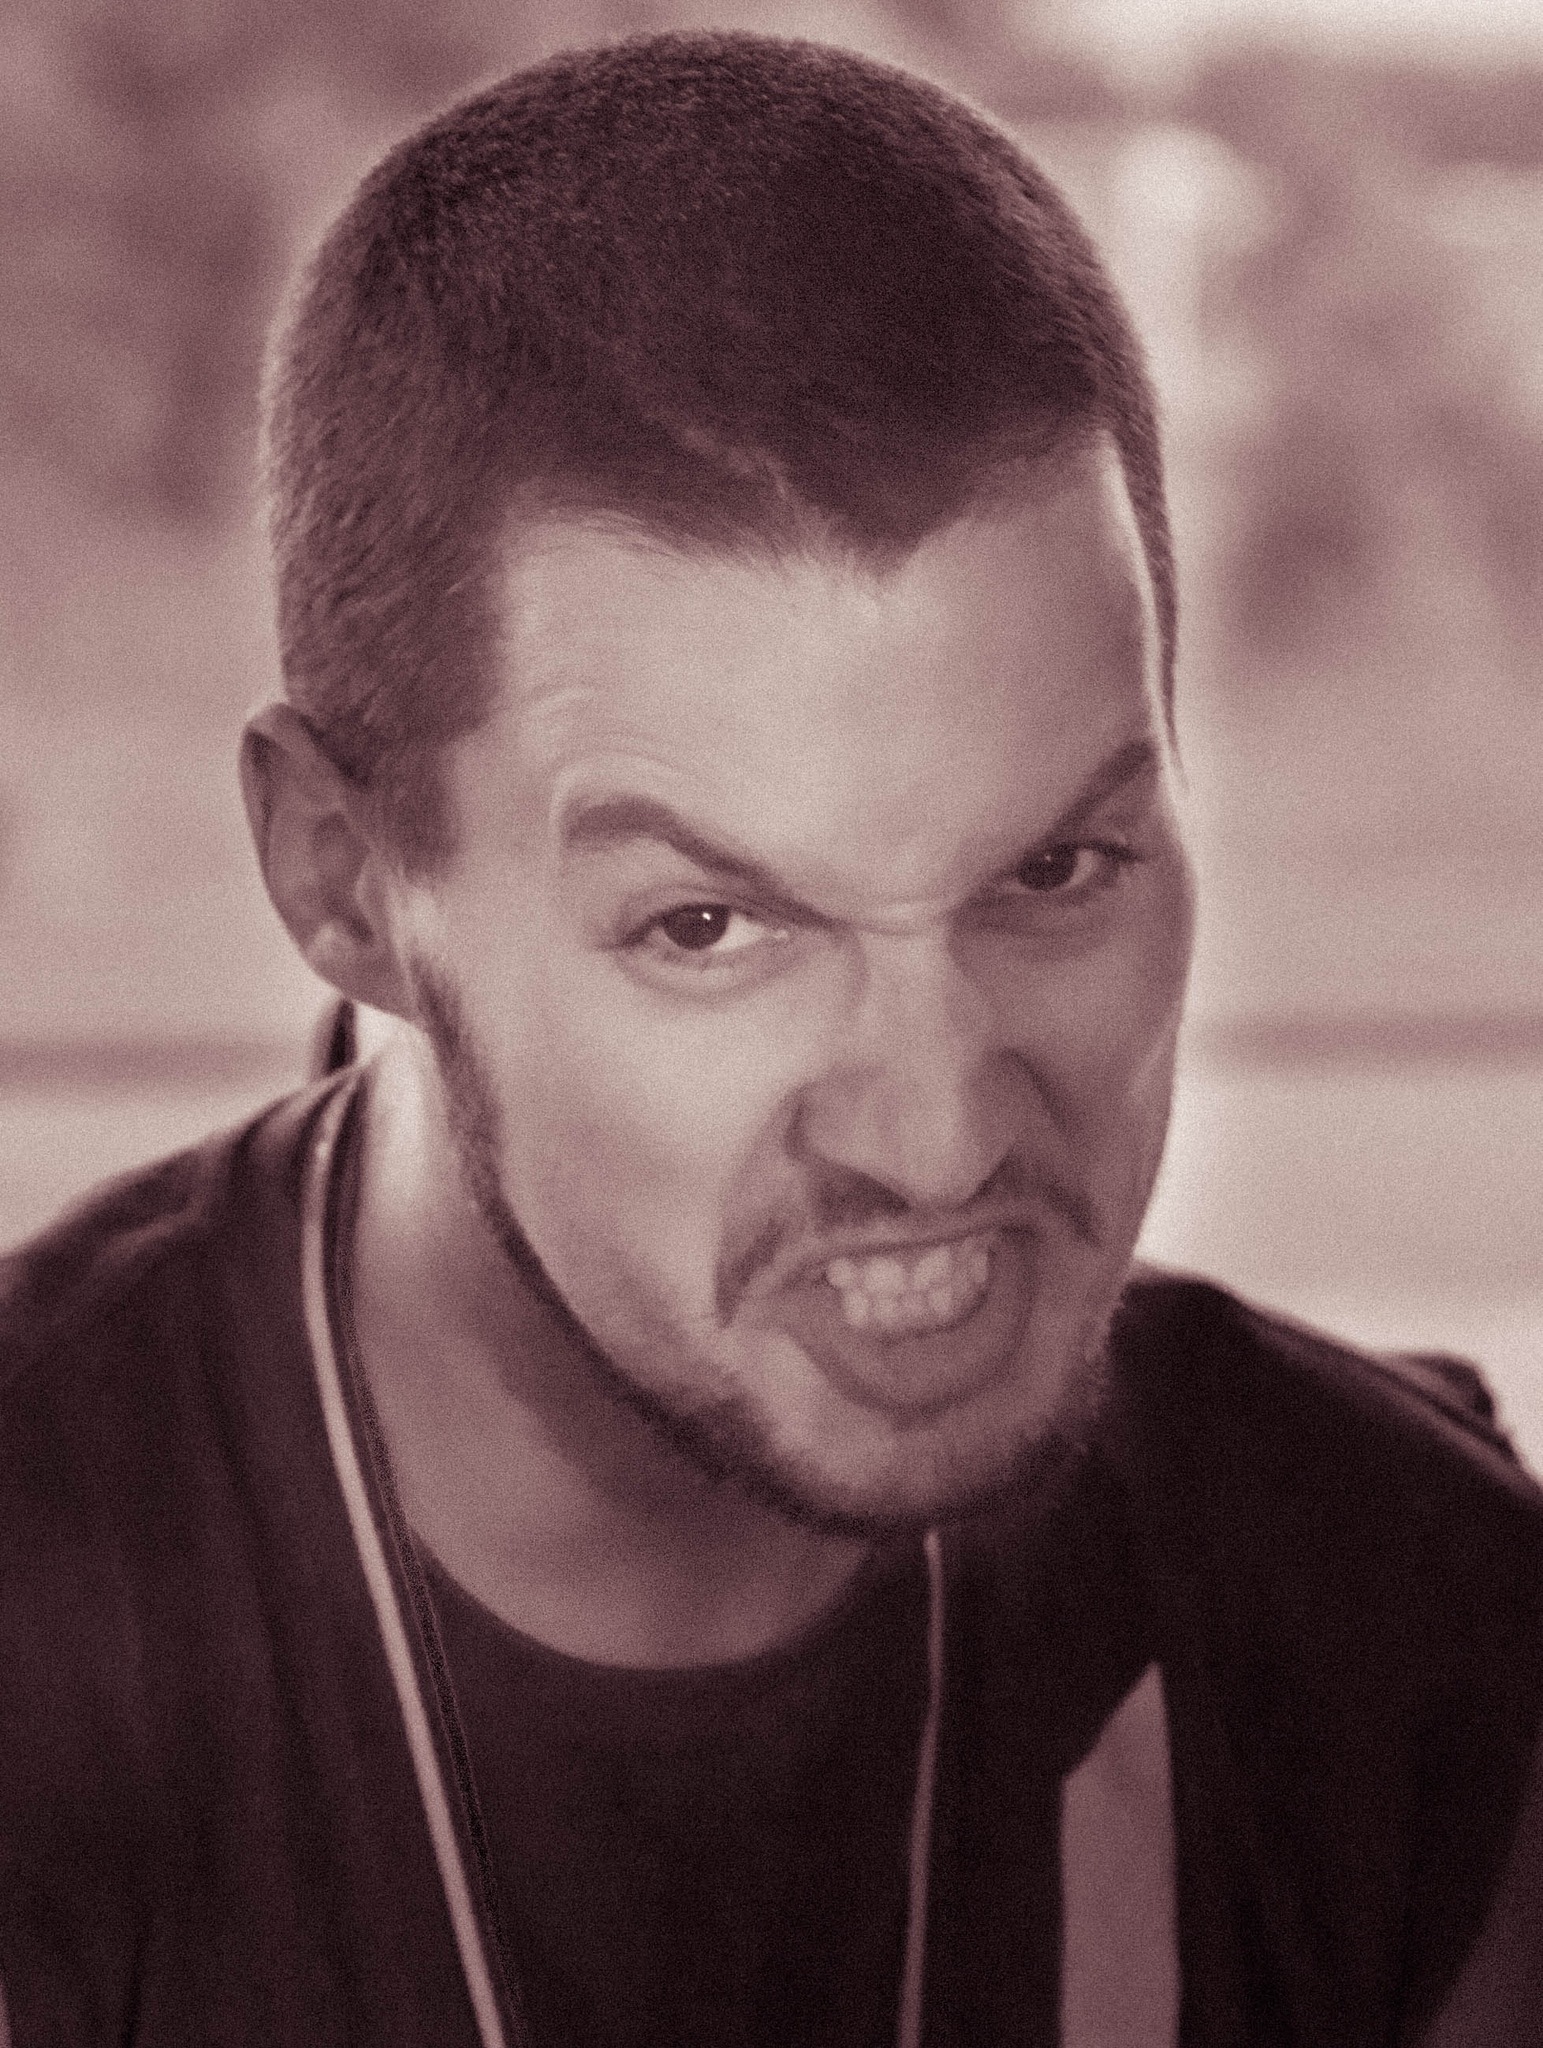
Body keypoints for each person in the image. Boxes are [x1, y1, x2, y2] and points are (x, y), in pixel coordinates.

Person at [1, 30, 1540, 2047]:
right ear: (345, 879)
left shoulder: (1404, 1632)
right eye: (709, 927)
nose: (935, 1132)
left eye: (1054, 867)